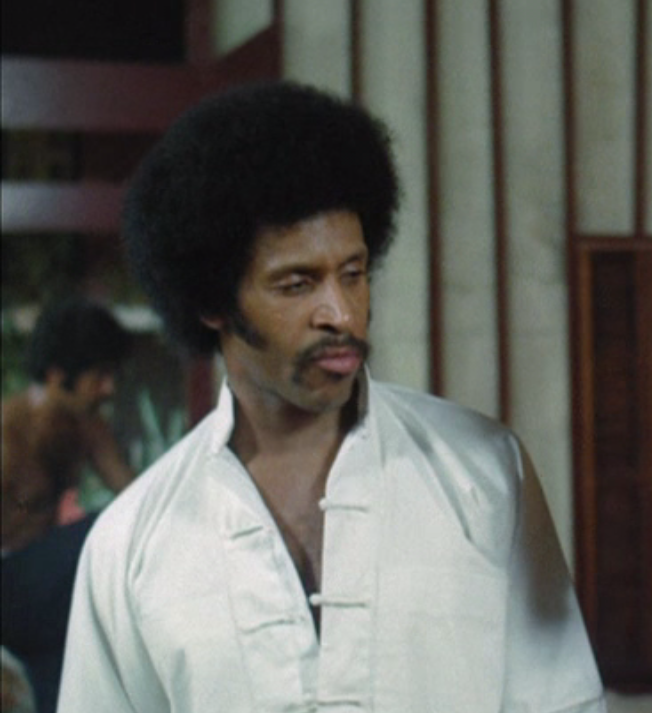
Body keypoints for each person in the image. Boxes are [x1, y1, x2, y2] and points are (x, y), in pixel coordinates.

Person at [58, 81, 605, 712]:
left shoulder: (482, 473)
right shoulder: (131, 544)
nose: (341, 314)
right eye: (297, 284)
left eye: (353, 274)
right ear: (212, 301)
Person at [1, 296, 134, 713]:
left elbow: (136, 497)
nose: (109, 389)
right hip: (10, 590)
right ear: (59, 377)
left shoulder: (87, 427)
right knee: (98, 530)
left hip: (46, 608)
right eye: (100, 376)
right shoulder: (8, 433)